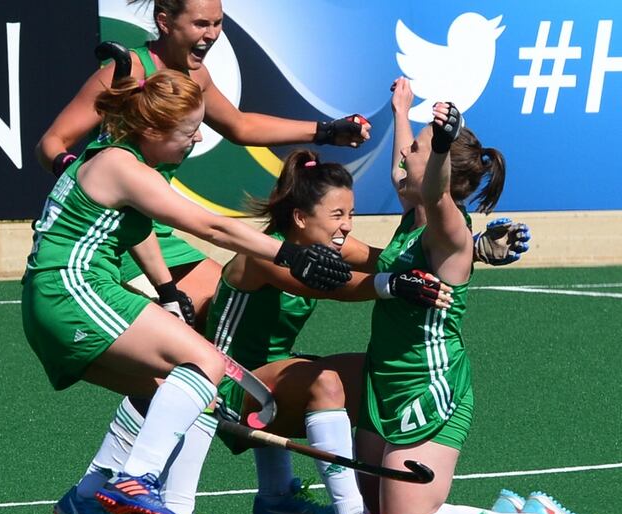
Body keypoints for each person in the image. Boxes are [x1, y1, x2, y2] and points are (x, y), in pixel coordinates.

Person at [22, 68, 352, 514]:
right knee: (207, 363)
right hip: (72, 290)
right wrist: (289, 254)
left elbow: (136, 229)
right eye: (189, 130)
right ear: (151, 129)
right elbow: (211, 227)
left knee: (191, 396)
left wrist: (168, 291)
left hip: (60, 298)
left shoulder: (132, 161)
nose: (198, 138)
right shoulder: (122, 166)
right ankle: (137, 478)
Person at [351, 77, 605, 514]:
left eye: (417, 150)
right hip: (385, 381)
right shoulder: (414, 213)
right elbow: (408, 176)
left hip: (428, 387)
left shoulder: (447, 230)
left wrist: (439, 145)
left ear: (440, 171)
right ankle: (507, 511)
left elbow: (435, 192)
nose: (405, 153)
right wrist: (402, 110)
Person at [36, 0, 371, 327]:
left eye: (217, 23)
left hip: (154, 233)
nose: (212, 34)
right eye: (200, 24)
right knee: (183, 327)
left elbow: (240, 126)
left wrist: (326, 131)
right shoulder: (129, 71)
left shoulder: (196, 77)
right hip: (109, 233)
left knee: (221, 308)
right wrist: (84, 178)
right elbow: (51, 144)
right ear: (165, 22)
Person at [205, 148, 452, 514]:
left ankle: (286, 501)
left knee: (376, 373)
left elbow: (390, 261)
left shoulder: (326, 243)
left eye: (351, 214)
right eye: (337, 215)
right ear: (301, 218)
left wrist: (470, 248)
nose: (347, 226)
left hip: (268, 382)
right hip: (223, 389)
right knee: (326, 382)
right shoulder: (264, 254)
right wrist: (393, 285)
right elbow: (333, 287)